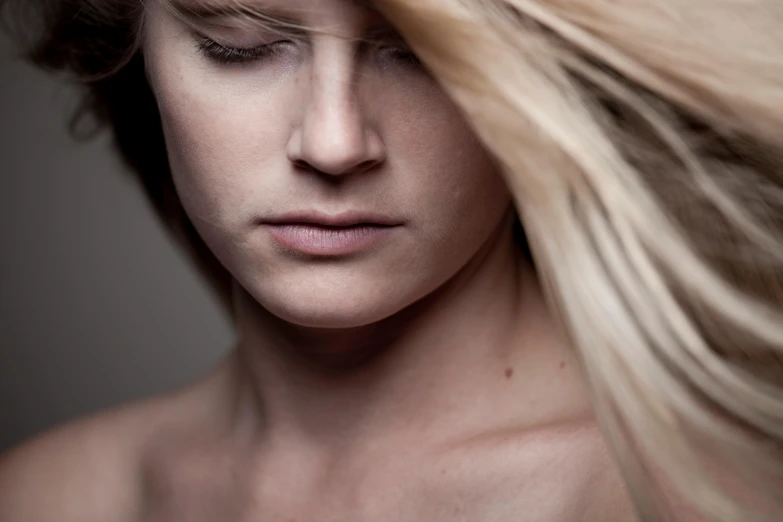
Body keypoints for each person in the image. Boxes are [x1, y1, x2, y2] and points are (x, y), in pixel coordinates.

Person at [0, 0, 781, 520]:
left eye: (417, 55)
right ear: (136, 49)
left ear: (545, 75)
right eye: (236, 45)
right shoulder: (49, 498)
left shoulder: (705, 496)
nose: (334, 142)